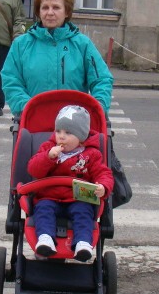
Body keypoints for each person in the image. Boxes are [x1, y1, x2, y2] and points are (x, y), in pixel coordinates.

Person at [1, 0, 113, 118]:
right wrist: (27, 106)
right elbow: (11, 80)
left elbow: (102, 79)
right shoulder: (21, 45)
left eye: (56, 7)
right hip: (35, 120)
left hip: (74, 125)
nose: (50, 13)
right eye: (45, 8)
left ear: (66, 12)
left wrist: (97, 107)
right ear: (38, 12)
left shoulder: (83, 44)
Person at [27, 105, 114, 261]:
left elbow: (103, 173)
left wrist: (103, 186)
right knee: (43, 210)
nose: (61, 137)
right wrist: (49, 157)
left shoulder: (91, 154)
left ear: (81, 137)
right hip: (49, 196)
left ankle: (82, 243)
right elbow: (34, 169)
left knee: (84, 213)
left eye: (68, 133)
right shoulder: (48, 148)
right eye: (58, 131)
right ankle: (46, 239)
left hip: (77, 198)